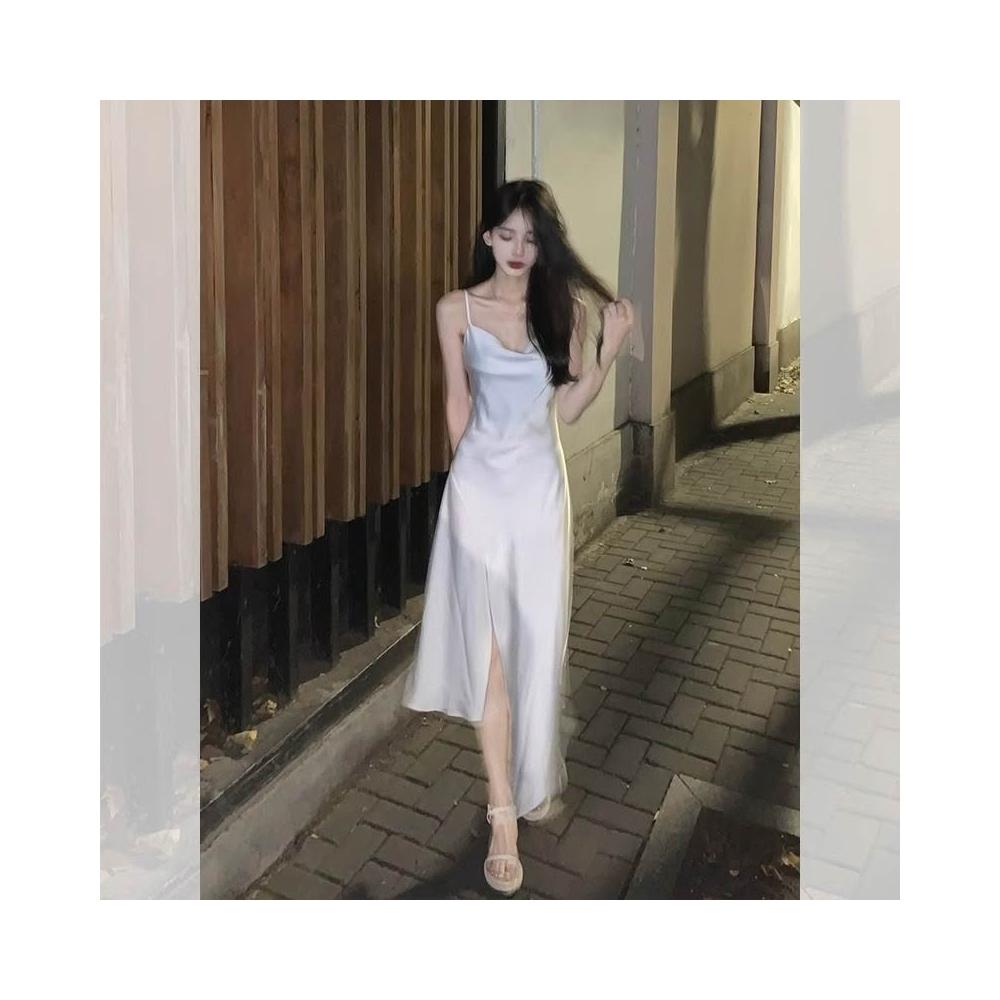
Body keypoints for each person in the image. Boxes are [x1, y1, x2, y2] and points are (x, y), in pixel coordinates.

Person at [402, 178, 635, 895]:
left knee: (536, 644)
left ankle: (530, 772)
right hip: (479, 494)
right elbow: (457, 400)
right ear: (487, 237)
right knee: (492, 655)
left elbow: (568, 408)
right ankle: (502, 812)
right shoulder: (455, 310)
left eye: (530, 238)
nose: (517, 249)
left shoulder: (561, 310)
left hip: (538, 497)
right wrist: (463, 481)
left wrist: (608, 352)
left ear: (542, 246)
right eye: (506, 234)